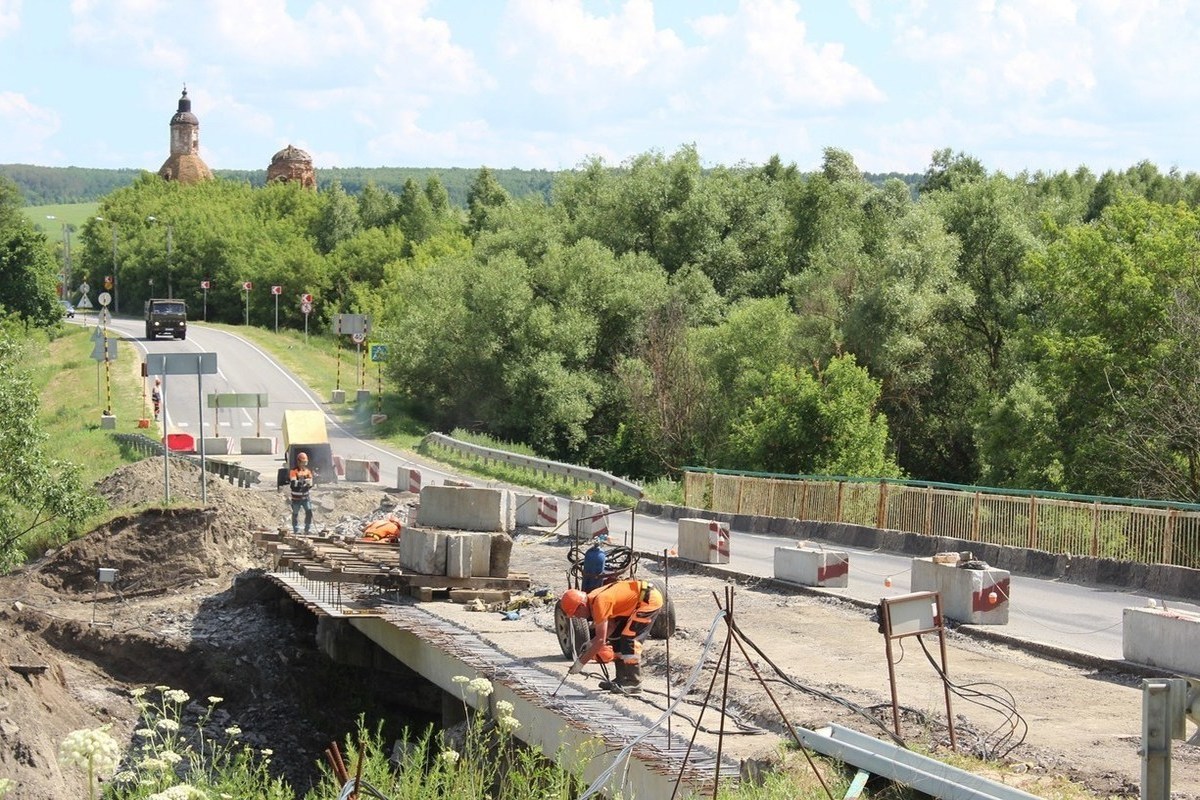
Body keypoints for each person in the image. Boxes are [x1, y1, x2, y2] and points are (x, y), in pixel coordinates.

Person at [560, 579, 663, 694]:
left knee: (629, 639)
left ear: (582, 606)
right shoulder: (593, 600)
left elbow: (600, 640)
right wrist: (590, 643)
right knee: (616, 637)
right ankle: (621, 679)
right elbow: (611, 627)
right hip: (637, 601)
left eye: (576, 613)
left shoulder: (599, 602)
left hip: (648, 601)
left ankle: (634, 682)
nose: (578, 617)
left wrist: (580, 663)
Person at [288, 452, 314, 535]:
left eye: (305, 462)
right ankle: (296, 530)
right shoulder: (294, 471)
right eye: (303, 462)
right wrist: (299, 482)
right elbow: (293, 483)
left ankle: (307, 529)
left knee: (309, 512)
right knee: (295, 513)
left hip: (305, 498)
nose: (304, 464)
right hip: (296, 498)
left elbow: (310, 482)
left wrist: (309, 484)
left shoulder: (307, 471)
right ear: (298, 462)